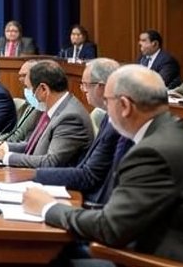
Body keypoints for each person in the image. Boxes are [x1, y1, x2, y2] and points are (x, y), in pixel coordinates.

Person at [23, 65, 183, 266]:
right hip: (143, 245)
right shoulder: (173, 133)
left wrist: (48, 207)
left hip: (148, 259)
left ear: (125, 105)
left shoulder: (152, 153)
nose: (104, 108)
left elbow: (110, 229)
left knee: (37, 256)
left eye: (107, 100)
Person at [34, 58, 128, 206]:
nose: (83, 89)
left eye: (85, 84)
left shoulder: (118, 124)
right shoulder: (108, 116)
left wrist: (34, 175)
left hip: (93, 205)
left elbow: (89, 175)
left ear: (101, 87)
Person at [0, 60, 93, 168]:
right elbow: (33, 146)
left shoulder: (70, 117)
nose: (30, 94)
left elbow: (50, 162)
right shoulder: (56, 108)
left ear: (43, 89)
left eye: (30, 89)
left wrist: (4, 156)